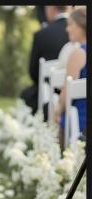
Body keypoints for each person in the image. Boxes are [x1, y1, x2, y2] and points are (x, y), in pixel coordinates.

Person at [20, 6, 71, 120]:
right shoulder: (82, 32)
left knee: (28, 95)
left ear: (51, 8)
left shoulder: (41, 34)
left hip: (50, 91)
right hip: (79, 90)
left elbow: (34, 73)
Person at [54, 7, 86, 151]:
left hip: (80, 121)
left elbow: (68, 92)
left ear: (82, 25)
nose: (67, 29)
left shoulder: (78, 53)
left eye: (71, 24)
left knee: (58, 120)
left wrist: (57, 111)